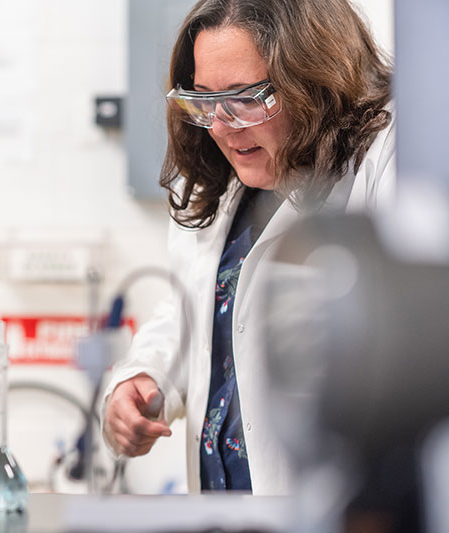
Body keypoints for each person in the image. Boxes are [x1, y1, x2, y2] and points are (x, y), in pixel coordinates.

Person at [102, 0, 394, 494]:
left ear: (314, 82)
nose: (220, 126)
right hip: (222, 504)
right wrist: (143, 375)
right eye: (204, 100)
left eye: (246, 97)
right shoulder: (218, 183)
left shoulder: (383, 166)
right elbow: (202, 308)